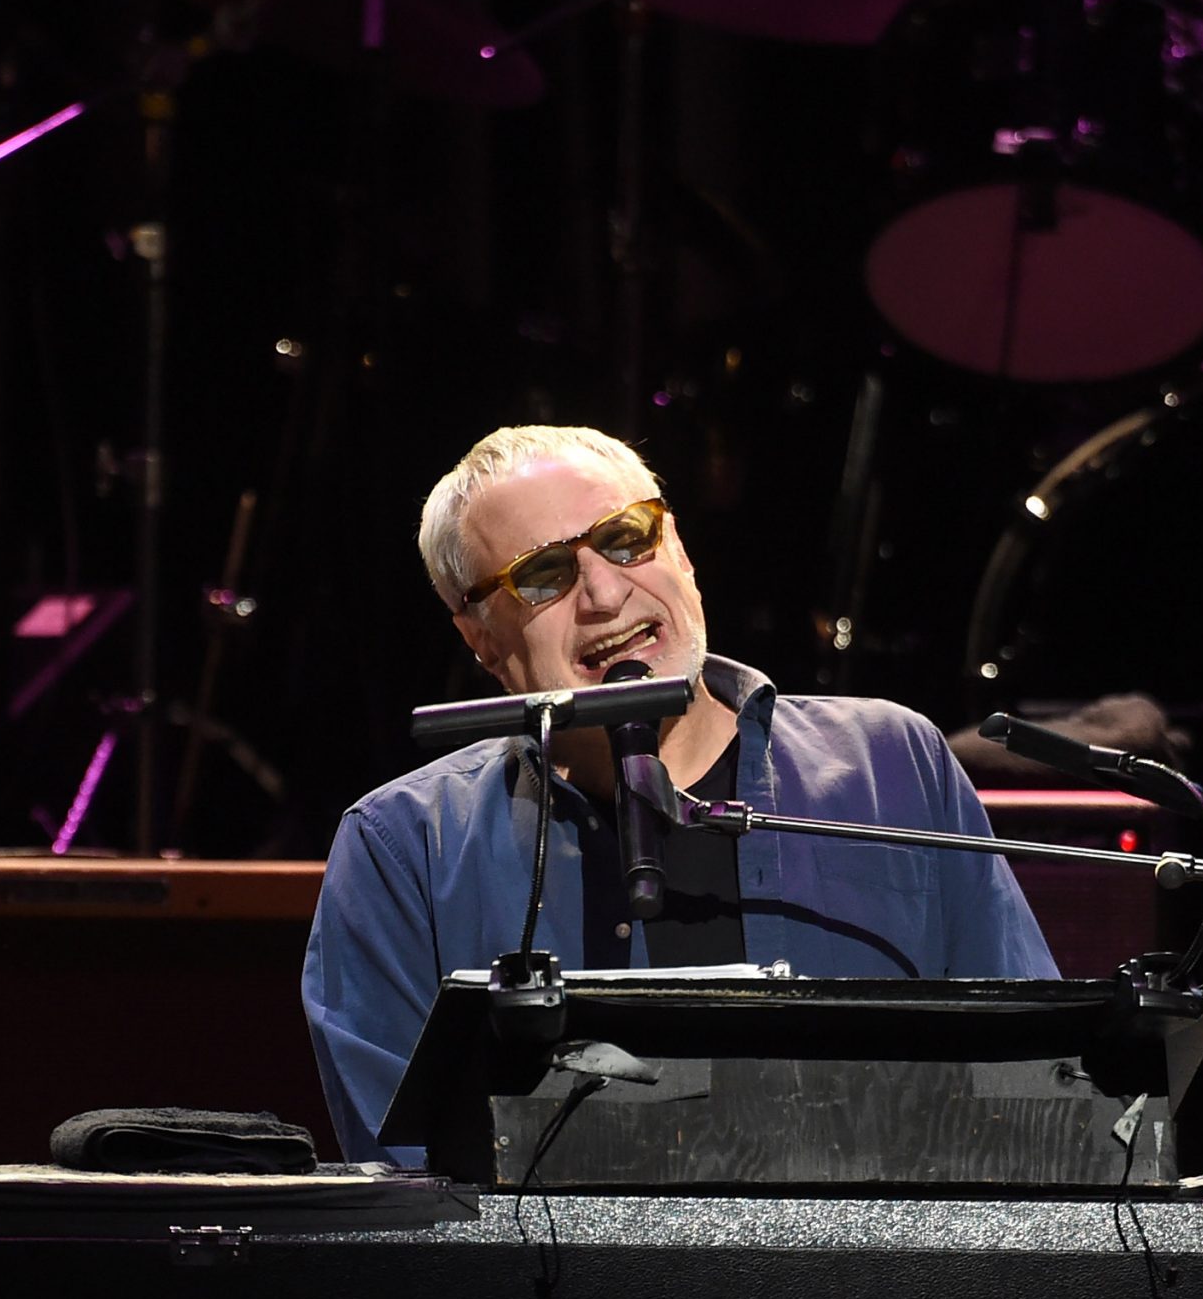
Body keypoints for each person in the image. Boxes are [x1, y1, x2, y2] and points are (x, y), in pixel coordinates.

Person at [302, 424, 1058, 1165]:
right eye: (544, 575)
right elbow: (408, 1189)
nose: (605, 592)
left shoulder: (891, 763)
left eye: (626, 538)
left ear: (682, 552)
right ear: (481, 639)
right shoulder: (403, 848)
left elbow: (1037, 1094)